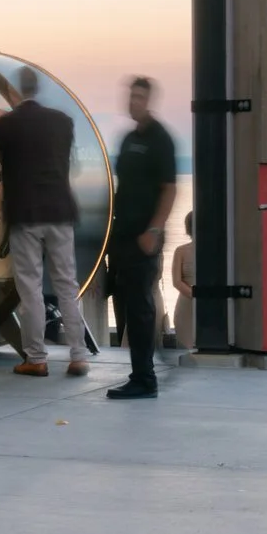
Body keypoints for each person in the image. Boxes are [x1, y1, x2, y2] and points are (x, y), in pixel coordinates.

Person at [0, 67, 87, 377]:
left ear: (14, 92)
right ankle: (79, 355)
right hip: (60, 210)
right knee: (67, 285)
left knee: (30, 287)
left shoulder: (5, 125)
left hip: (25, 214)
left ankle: (37, 358)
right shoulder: (62, 121)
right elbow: (73, 165)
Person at [106, 77, 177, 400]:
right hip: (122, 235)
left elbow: (169, 188)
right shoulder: (128, 139)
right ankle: (139, 371)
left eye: (139, 97)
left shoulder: (160, 139)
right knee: (125, 304)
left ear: (148, 101)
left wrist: (154, 230)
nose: (133, 102)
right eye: (131, 96)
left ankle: (145, 379)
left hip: (143, 237)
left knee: (140, 308)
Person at [170, 212, 197, 351]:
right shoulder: (180, 251)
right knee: (186, 348)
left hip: (211, 303)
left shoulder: (217, 250)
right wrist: (196, 294)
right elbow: (176, 281)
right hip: (186, 304)